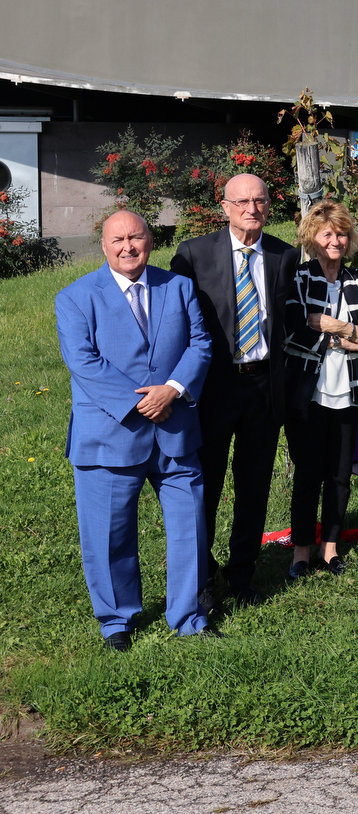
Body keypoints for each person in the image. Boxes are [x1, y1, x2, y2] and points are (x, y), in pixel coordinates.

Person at [57, 211, 214, 648]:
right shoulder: (75, 297)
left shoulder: (178, 287)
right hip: (109, 434)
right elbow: (83, 361)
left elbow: (200, 343)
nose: (128, 246)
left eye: (136, 237)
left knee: (189, 527)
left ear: (150, 240)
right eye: (118, 239)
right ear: (104, 246)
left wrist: (173, 389)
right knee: (110, 535)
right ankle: (116, 621)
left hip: (175, 429)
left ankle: (188, 615)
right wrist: (142, 403)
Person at [170, 172, 300, 607]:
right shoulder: (193, 254)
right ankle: (202, 578)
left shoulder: (284, 255)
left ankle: (242, 575)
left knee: (254, 485)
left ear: (268, 205)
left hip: (263, 386)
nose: (251, 209)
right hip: (213, 388)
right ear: (224, 207)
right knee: (204, 487)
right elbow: (176, 325)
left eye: (259, 201)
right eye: (242, 202)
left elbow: (290, 322)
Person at [283, 200, 358, 578]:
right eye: (327, 234)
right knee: (308, 473)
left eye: (342, 234)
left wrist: (331, 325)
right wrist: (347, 339)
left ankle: (330, 548)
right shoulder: (300, 277)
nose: (335, 241)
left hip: (349, 390)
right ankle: (301, 551)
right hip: (308, 392)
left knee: (340, 475)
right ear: (313, 237)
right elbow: (292, 331)